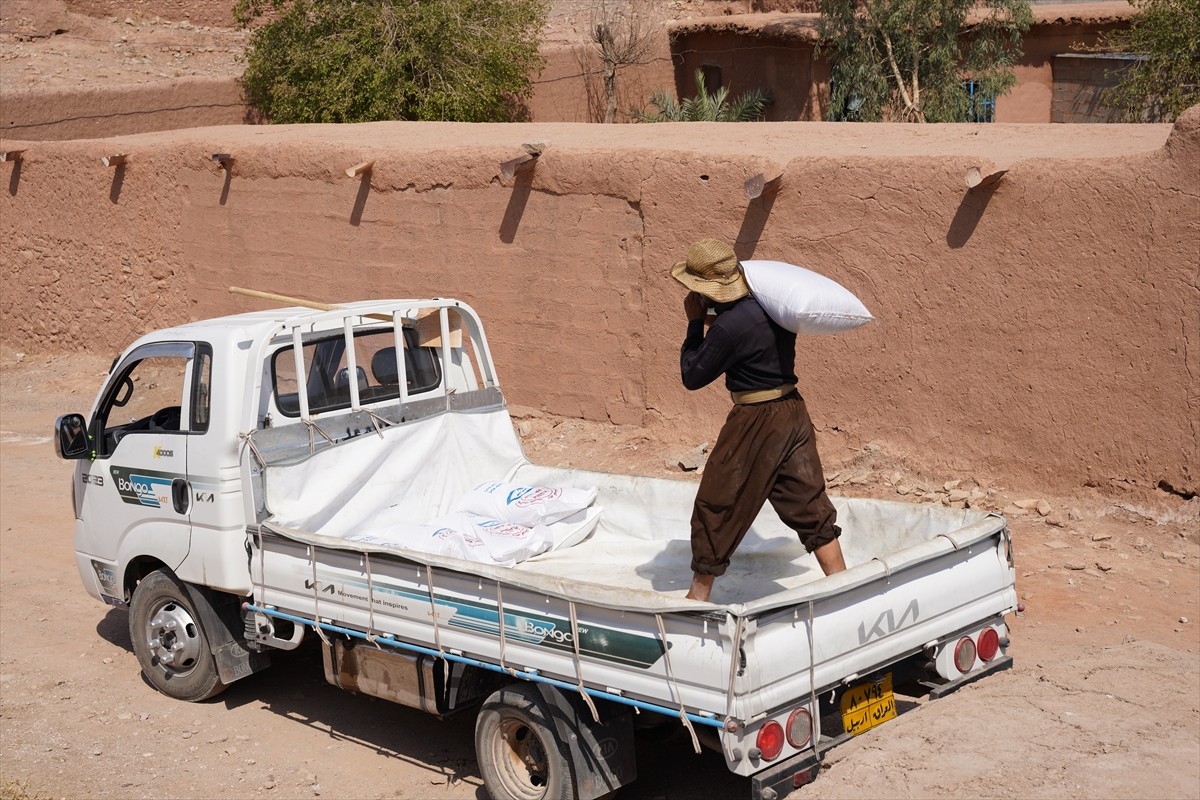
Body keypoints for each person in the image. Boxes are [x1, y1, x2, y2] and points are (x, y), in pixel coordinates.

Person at [671, 238, 847, 602]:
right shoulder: (767, 307)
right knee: (806, 498)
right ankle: (843, 584)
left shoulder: (728, 329)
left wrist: (693, 325)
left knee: (718, 502)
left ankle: (697, 597)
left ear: (707, 291)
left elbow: (692, 376)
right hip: (793, 413)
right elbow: (747, 328)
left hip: (755, 421)